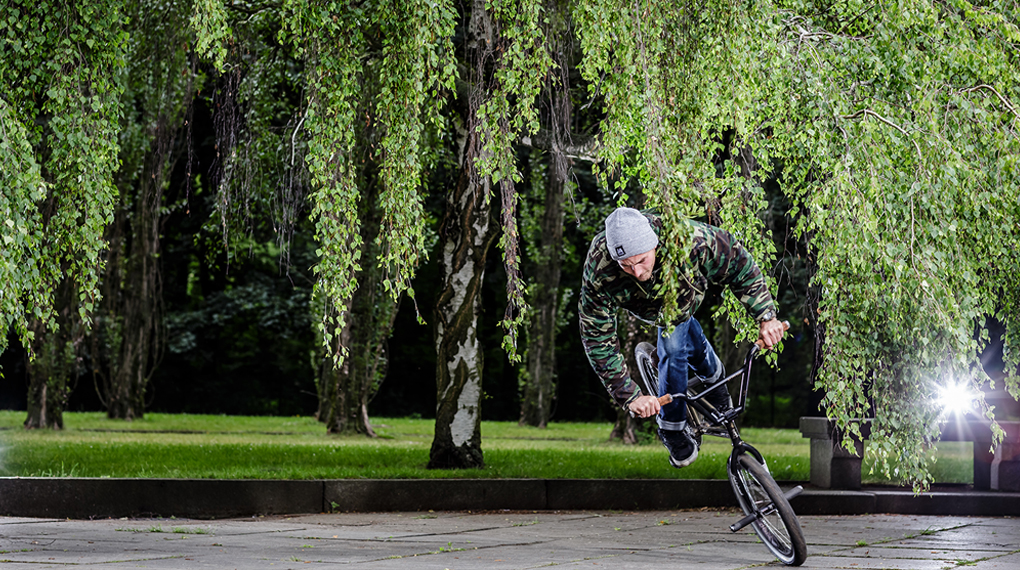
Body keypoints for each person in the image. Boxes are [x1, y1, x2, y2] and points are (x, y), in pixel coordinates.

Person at [579, 207, 785, 468]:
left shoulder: (689, 238)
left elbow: (738, 262)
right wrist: (629, 396)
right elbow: (596, 336)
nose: (637, 272)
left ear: (654, 243)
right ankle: (672, 429)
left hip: (683, 293)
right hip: (643, 305)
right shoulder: (599, 265)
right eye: (626, 265)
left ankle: (717, 388)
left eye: (642, 260)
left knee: (682, 334)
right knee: (674, 347)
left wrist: (766, 317)